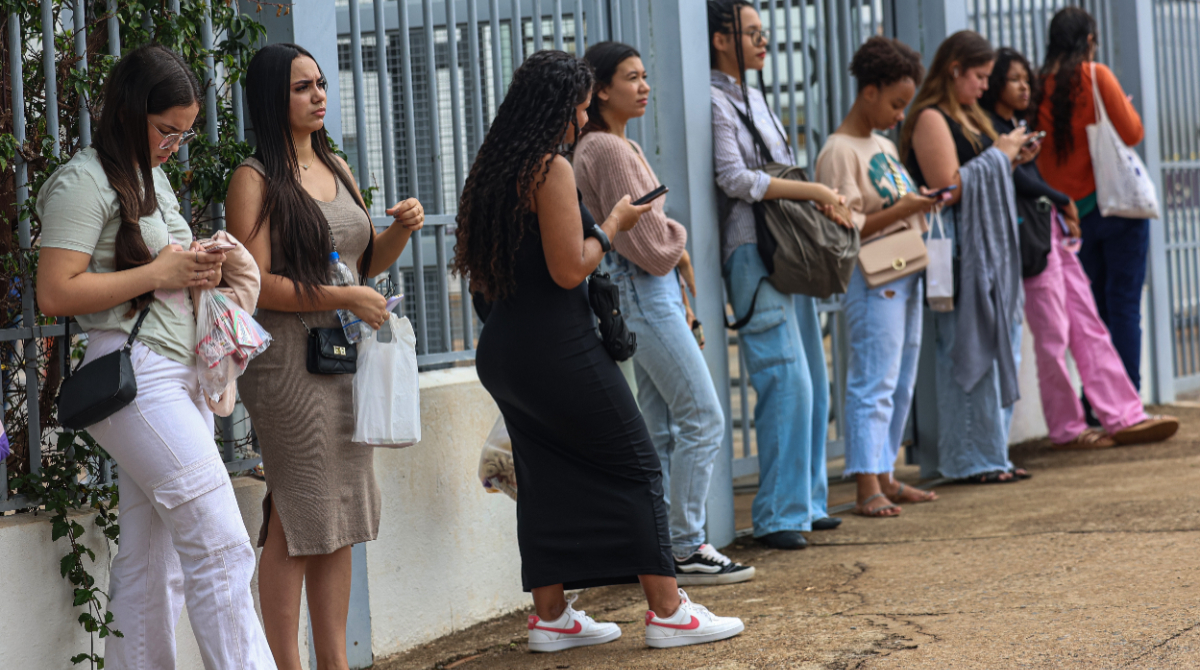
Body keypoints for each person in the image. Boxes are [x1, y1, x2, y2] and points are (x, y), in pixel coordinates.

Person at [456, 49, 745, 653]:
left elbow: (483, 279)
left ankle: (552, 618)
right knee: (638, 464)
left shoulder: (490, 170)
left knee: (544, 478)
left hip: (505, 347)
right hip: (558, 346)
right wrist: (611, 223)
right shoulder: (548, 169)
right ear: (559, 108)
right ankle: (668, 611)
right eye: (580, 108)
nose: (582, 120)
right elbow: (570, 270)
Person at [36, 45, 275, 668]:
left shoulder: (152, 176)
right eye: (167, 129)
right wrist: (162, 270)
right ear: (129, 111)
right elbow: (56, 291)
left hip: (176, 374)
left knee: (153, 563)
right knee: (222, 547)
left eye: (185, 133)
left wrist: (193, 266)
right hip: (136, 376)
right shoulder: (84, 180)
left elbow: (153, 271)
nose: (175, 144)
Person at [225, 43, 425, 669]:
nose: (318, 95)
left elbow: (362, 264)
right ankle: (288, 663)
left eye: (320, 83)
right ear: (270, 98)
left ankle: (333, 662)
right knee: (298, 506)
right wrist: (345, 295)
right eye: (301, 87)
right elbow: (256, 281)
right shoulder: (253, 178)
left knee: (339, 510)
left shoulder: (335, 164)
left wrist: (399, 231)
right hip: (286, 363)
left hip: (341, 356)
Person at [574, 41, 753, 584]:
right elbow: (653, 245)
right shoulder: (606, 149)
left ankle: (665, 545)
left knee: (662, 429)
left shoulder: (610, 145)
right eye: (631, 77)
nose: (645, 86)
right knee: (703, 416)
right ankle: (685, 544)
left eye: (646, 75)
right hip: (643, 292)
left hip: (644, 293)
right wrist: (679, 239)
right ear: (601, 89)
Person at [708, 0, 852, 549]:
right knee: (785, 379)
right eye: (752, 32)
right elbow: (733, 178)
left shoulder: (755, 95)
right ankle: (777, 516)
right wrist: (813, 191)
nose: (763, 41)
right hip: (751, 250)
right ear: (722, 39)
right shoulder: (714, 101)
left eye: (762, 32)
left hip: (787, 248)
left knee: (811, 377)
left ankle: (806, 503)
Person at [983, 48, 1179, 449]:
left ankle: (1124, 414)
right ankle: (1067, 428)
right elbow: (1013, 181)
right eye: (1013, 79)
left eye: (1025, 78)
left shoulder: (1020, 123)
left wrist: (1056, 199)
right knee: (1053, 334)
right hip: (1030, 236)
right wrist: (1060, 196)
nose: (1024, 86)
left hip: (1053, 229)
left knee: (1089, 322)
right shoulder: (991, 130)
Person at [815, 36, 941, 517]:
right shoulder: (839, 151)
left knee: (901, 374)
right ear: (869, 91)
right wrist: (907, 207)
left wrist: (917, 204)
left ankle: (884, 474)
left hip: (903, 269)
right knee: (874, 377)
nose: (899, 114)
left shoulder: (882, 143)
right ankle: (867, 482)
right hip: (874, 275)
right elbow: (846, 222)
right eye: (895, 103)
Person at [900, 31, 1033, 484]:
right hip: (956, 249)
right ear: (954, 69)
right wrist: (999, 156)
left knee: (991, 344)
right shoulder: (930, 118)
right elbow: (945, 187)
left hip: (984, 247)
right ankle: (970, 459)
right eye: (978, 76)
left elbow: (978, 174)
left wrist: (1011, 159)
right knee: (963, 347)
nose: (983, 86)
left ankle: (990, 453)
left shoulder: (969, 113)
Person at [1035, 7, 1153, 414]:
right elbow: (1133, 132)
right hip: (1118, 209)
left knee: (1090, 316)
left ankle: (1096, 404)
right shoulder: (1096, 75)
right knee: (1122, 306)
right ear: (1088, 40)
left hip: (1069, 218)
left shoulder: (1036, 88)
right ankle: (1127, 402)